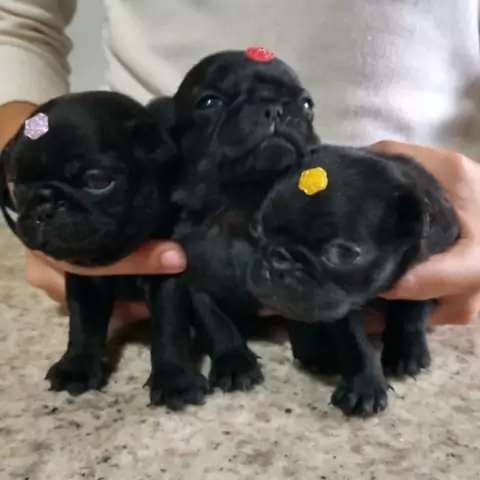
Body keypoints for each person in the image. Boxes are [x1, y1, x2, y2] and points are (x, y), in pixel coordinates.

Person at [1, 1, 480, 335]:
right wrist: (37, 184)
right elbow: (15, 21)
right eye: (214, 103)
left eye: (298, 106)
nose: (269, 117)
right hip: (154, 220)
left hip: (436, 233)